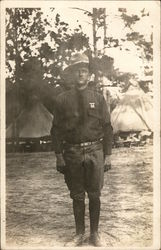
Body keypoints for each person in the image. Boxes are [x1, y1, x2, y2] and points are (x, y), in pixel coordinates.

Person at [51, 53, 113, 247]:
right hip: (72, 153)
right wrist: (59, 156)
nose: (80, 74)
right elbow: (56, 130)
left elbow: (107, 128)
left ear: (89, 75)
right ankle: (79, 234)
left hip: (95, 151)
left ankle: (94, 234)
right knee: (77, 195)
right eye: (77, 71)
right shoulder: (62, 99)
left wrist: (108, 155)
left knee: (95, 194)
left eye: (84, 71)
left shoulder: (98, 98)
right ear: (71, 75)